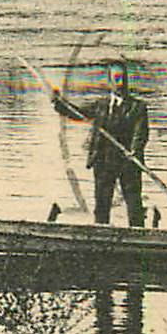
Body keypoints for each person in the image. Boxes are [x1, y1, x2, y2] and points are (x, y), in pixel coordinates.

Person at [53, 61, 149, 226]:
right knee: (102, 204)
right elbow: (78, 113)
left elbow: (141, 134)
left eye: (122, 79)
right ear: (109, 81)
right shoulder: (101, 106)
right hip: (103, 161)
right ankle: (101, 234)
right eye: (116, 79)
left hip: (128, 162)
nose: (120, 83)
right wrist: (59, 104)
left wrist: (134, 150)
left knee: (134, 204)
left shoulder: (137, 107)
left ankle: (139, 238)